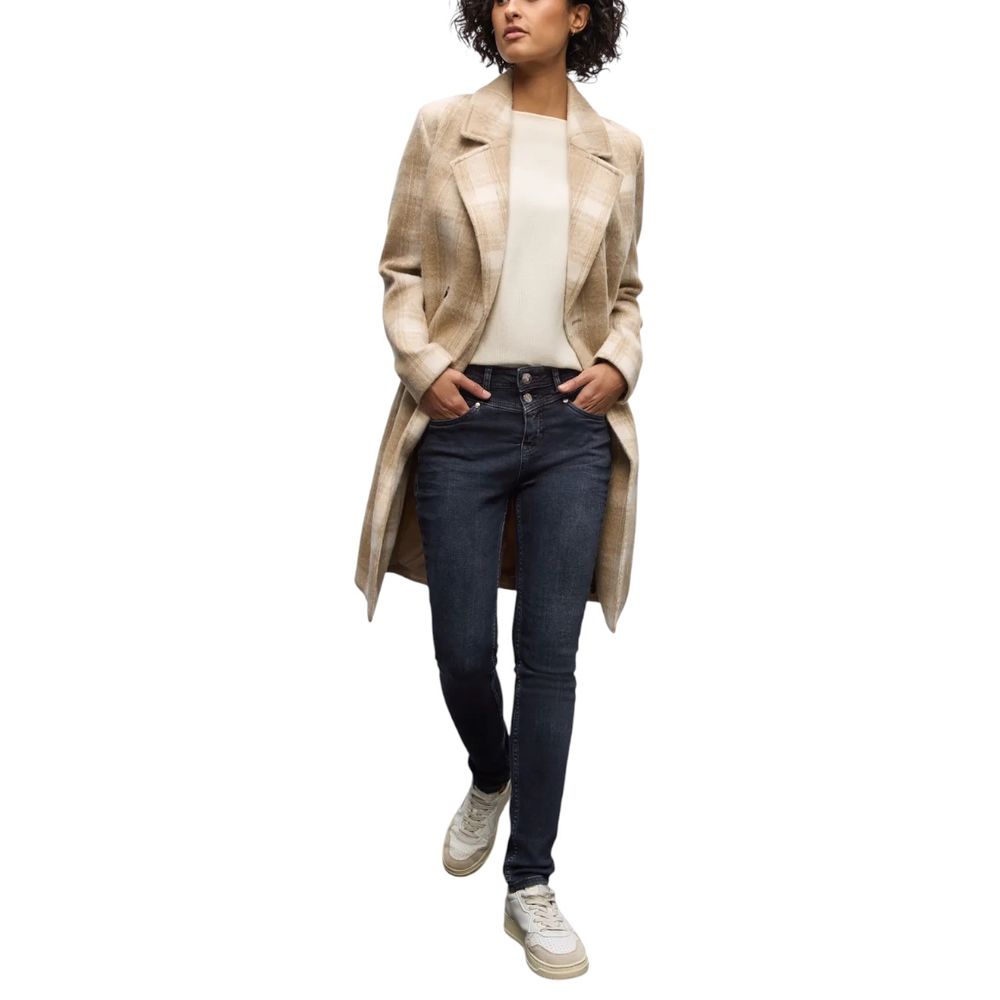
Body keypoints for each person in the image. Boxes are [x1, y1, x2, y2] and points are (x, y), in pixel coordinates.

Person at [356, 0, 644, 979]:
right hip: (464, 415)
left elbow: (627, 290)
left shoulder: (618, 149)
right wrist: (424, 364)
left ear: (581, 14)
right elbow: (400, 267)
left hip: (572, 423)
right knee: (463, 649)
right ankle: (492, 771)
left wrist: (619, 361)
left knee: (550, 661)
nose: (509, 6)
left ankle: (531, 883)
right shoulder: (446, 125)